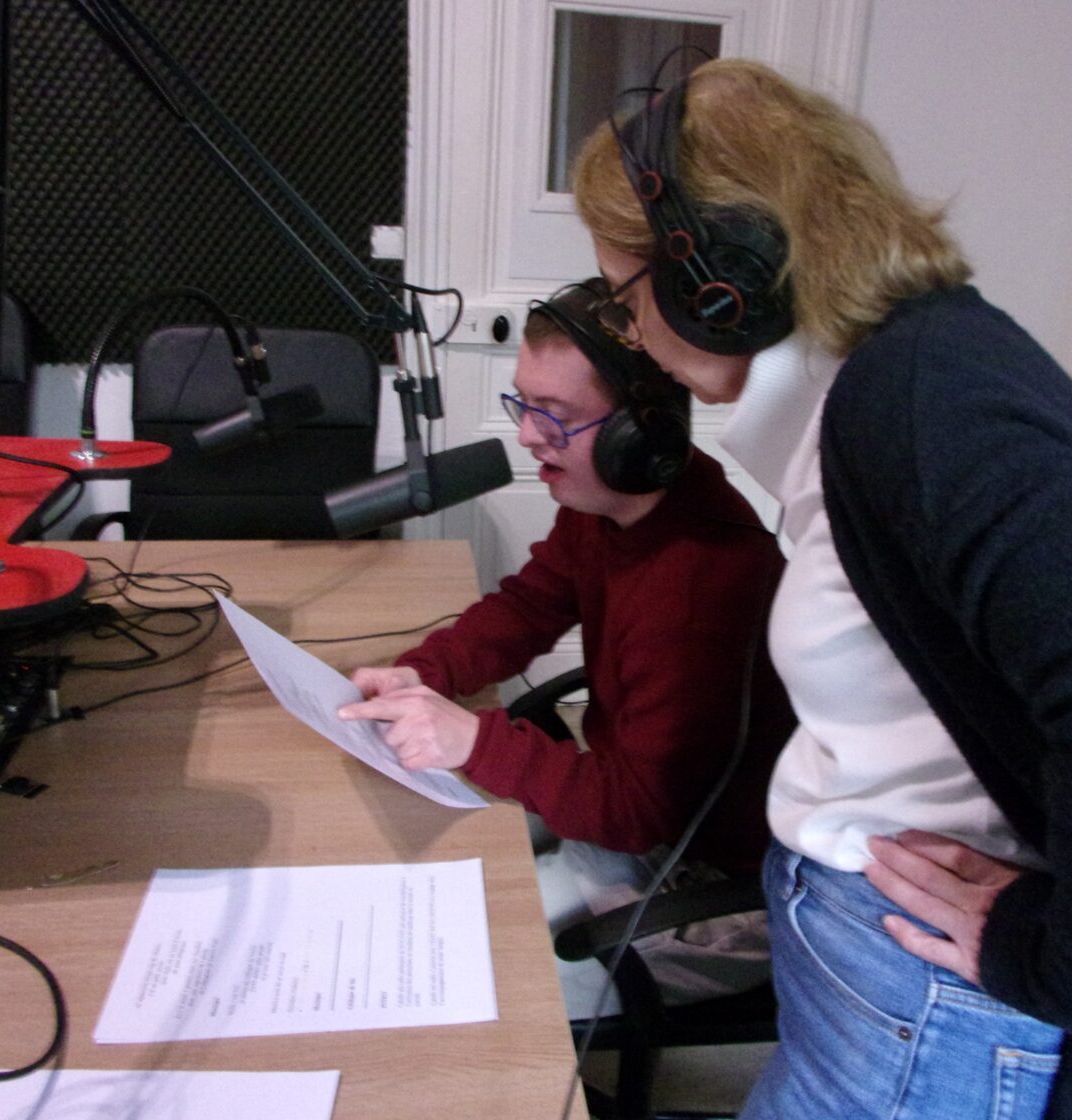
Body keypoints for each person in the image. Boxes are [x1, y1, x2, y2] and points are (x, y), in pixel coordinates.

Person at [572, 57, 1072, 1120]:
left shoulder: (920, 402)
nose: (632, 334)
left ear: (718, 276)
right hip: (881, 986)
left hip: (917, 1004)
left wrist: (1065, 962)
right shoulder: (891, 384)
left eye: (626, 298)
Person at [338, 279, 795, 1018]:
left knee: (475, 977)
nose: (527, 435)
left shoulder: (700, 585)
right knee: (426, 867)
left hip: (719, 883)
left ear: (639, 435)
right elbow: (529, 606)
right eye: (524, 404)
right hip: (643, 821)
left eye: (556, 414)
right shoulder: (603, 505)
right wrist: (422, 674)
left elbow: (638, 809)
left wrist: (473, 739)